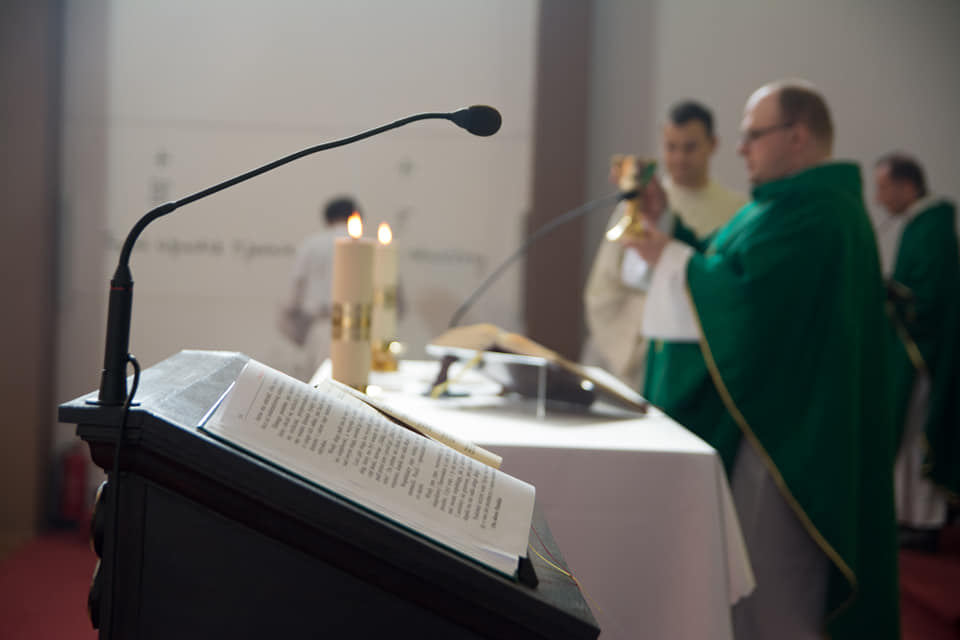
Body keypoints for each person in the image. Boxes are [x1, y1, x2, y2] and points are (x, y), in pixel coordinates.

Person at [624, 81, 899, 639]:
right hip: (777, 424)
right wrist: (669, 231)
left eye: (753, 134)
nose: (741, 148)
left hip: (788, 441)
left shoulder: (818, 214)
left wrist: (670, 259)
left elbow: (750, 307)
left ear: (797, 136)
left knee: (772, 597)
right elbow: (726, 263)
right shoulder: (783, 206)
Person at [583, 100, 746, 387]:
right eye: (671, 147)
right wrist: (645, 327)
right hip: (640, 353)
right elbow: (604, 288)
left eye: (690, 147)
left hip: (700, 356)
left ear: (713, 145)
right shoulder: (638, 205)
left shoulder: (736, 211)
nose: (679, 158)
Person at [873, 152, 960, 546]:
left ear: (907, 185)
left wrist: (891, 292)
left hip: (925, 355)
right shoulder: (921, 224)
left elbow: (930, 298)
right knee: (906, 435)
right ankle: (906, 515)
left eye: (884, 188)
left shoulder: (932, 227)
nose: (879, 199)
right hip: (913, 351)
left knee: (917, 433)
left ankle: (924, 521)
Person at [279, 196, 360, 381]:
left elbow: (293, 296)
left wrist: (296, 332)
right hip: (360, 330)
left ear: (327, 219)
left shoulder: (312, 245)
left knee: (320, 388)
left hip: (322, 328)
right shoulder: (369, 246)